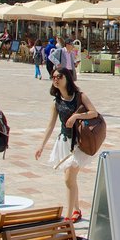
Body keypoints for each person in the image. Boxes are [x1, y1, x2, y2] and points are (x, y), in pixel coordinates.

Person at [34, 66, 100, 223]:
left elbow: (94, 113)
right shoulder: (56, 102)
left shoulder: (79, 96)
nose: (56, 79)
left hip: (80, 142)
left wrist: (76, 116)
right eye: (54, 77)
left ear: (67, 79)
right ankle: (76, 210)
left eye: (59, 77)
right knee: (70, 179)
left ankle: (68, 217)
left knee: (69, 178)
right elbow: (50, 125)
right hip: (64, 142)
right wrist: (41, 145)